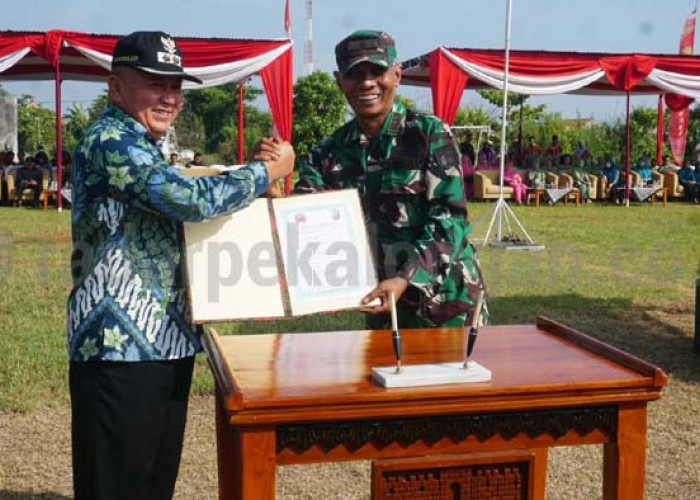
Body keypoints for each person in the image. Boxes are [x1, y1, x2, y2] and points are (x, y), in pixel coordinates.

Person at [65, 31, 294, 500]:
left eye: (175, 87)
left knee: (153, 480)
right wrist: (267, 172)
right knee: (116, 484)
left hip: (165, 341)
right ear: (115, 87)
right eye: (154, 84)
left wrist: (247, 180)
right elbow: (185, 198)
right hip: (118, 348)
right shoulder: (109, 141)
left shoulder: (148, 144)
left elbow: (190, 192)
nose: (169, 98)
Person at [292, 30, 487, 329]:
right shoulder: (327, 152)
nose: (367, 82)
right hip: (382, 306)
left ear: (397, 75)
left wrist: (404, 278)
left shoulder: (428, 134)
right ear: (339, 81)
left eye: (377, 71)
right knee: (385, 375)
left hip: (445, 305)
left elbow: (450, 219)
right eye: (355, 73)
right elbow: (302, 217)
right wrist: (270, 178)